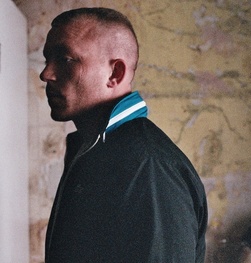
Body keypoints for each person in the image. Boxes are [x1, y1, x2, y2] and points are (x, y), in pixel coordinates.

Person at [40, 7, 208, 262]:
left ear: (114, 74)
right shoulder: (95, 148)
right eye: (46, 59)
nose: (46, 74)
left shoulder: (149, 167)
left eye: (65, 59)